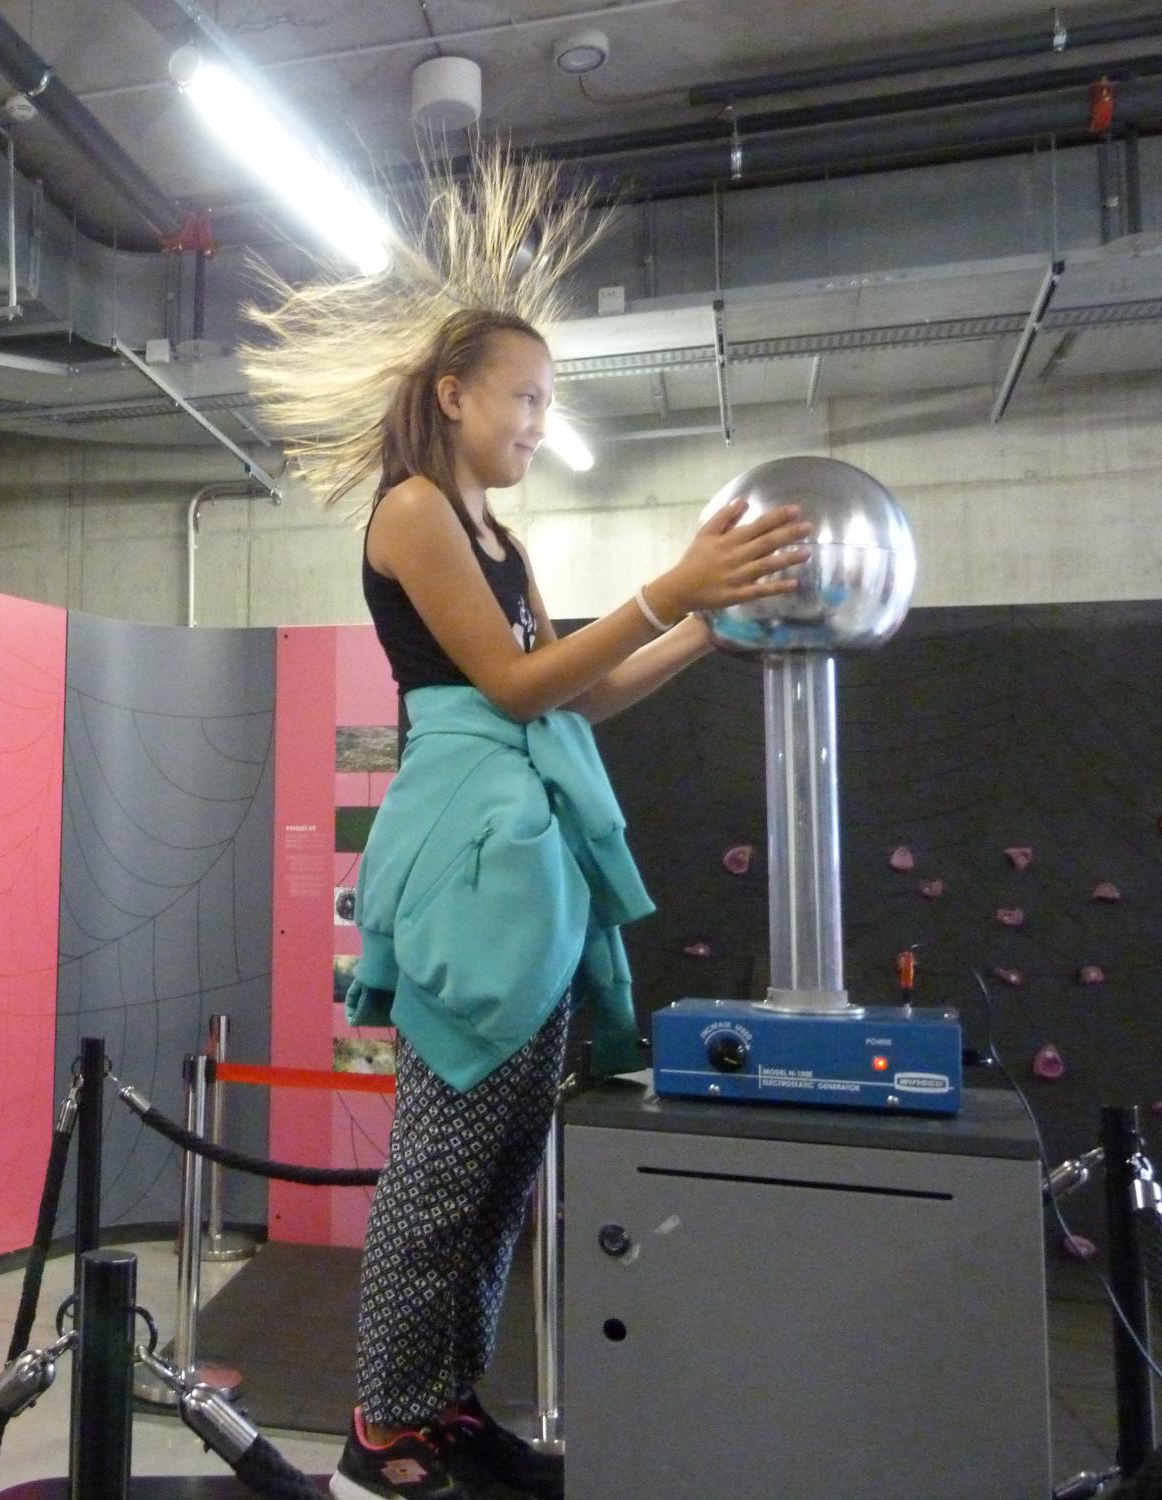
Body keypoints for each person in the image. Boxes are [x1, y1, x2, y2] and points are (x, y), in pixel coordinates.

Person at [244, 151, 810, 1500]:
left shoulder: (503, 539)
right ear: (455, 394)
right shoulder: (412, 512)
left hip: (534, 861)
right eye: (529, 397)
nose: (542, 423)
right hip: (475, 867)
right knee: (443, 1171)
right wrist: (671, 586)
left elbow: (576, 694)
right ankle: (380, 1424)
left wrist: (707, 624)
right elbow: (510, 686)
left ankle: (447, 1403)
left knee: (504, 1174)